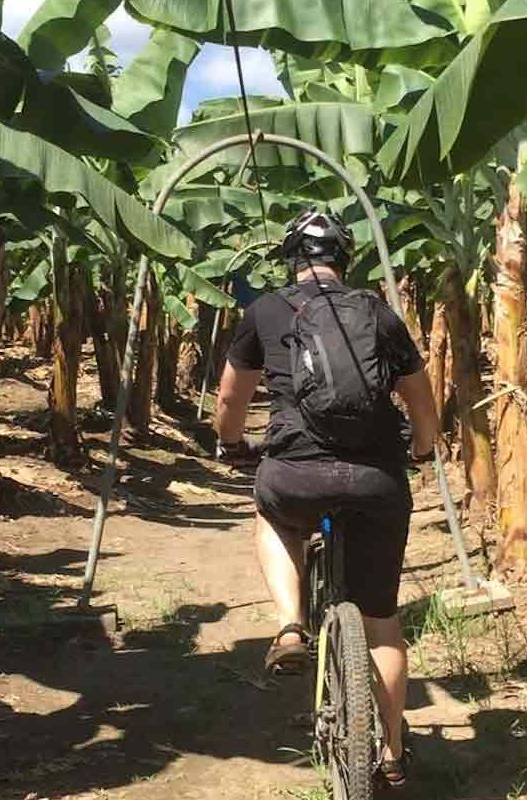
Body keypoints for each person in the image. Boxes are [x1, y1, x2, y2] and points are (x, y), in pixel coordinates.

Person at [212, 208, 438, 788]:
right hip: (377, 480)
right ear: (345, 259)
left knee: (271, 513)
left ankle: (290, 627)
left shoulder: (264, 311)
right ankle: (391, 755)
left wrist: (231, 444)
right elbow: (421, 403)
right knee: (382, 623)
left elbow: (230, 403)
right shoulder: (380, 315)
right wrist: (422, 450)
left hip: (296, 473)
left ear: (293, 259)